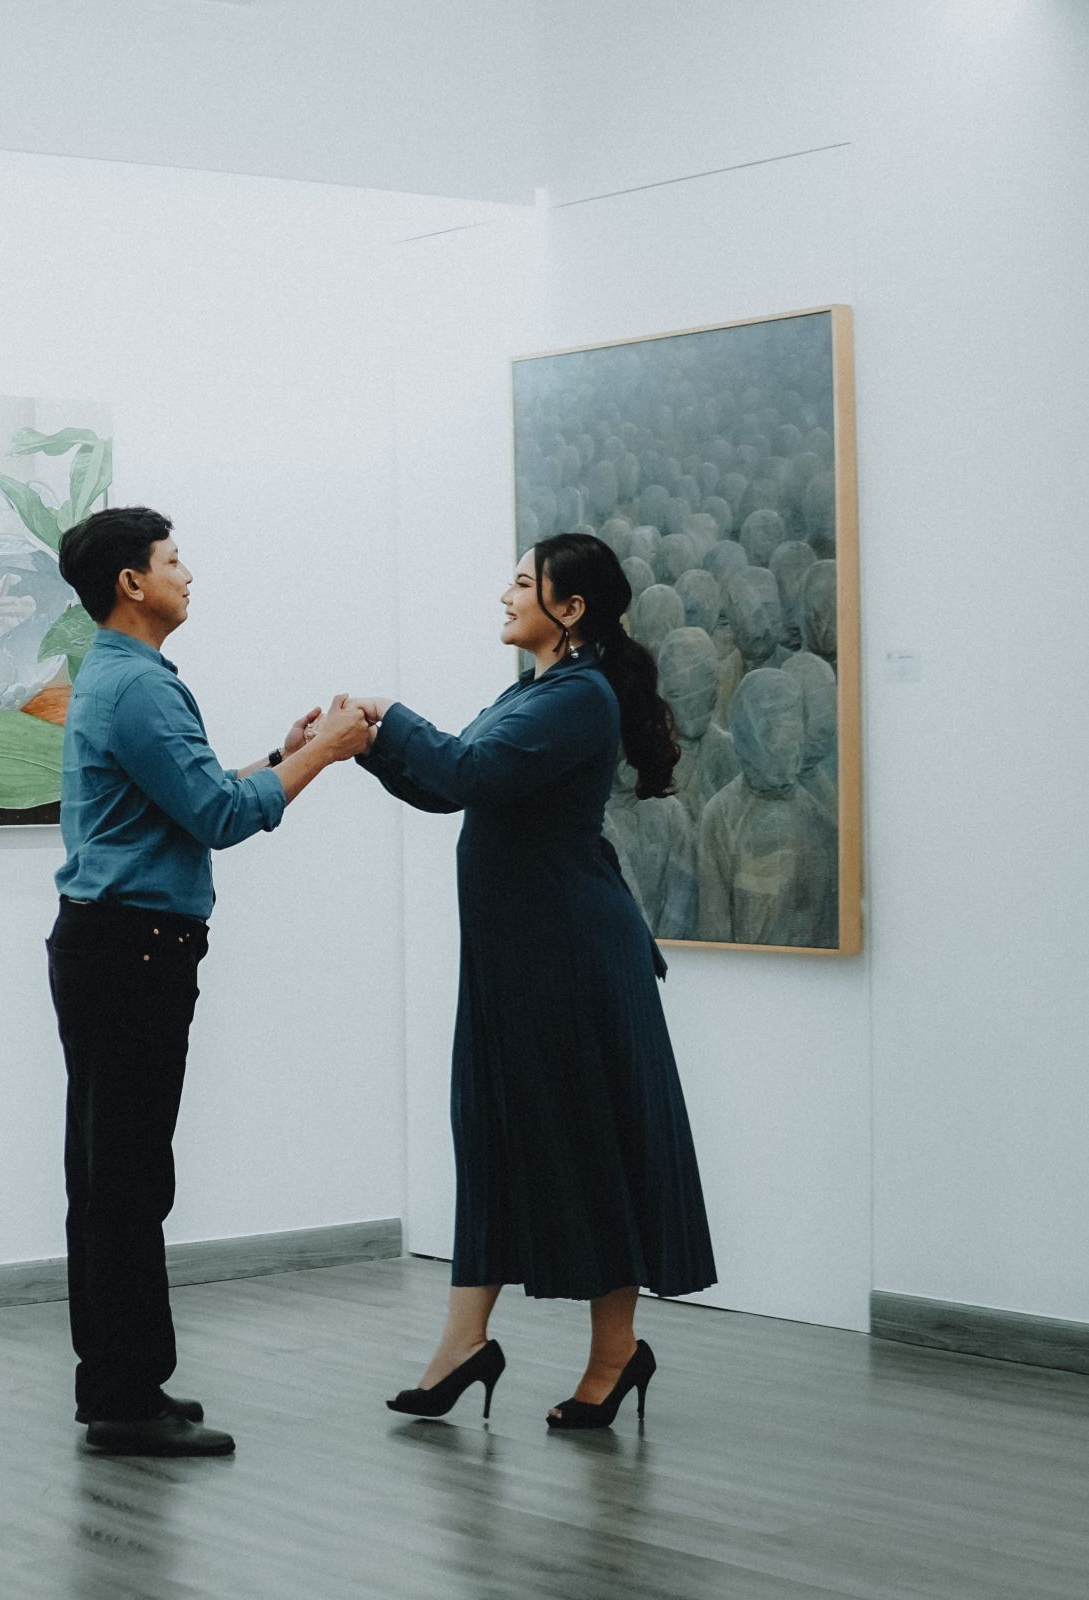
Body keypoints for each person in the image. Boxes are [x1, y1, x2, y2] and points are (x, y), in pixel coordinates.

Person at [340, 530, 716, 1430]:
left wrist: (389, 711)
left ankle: (614, 1356)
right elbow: (447, 787)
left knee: (592, 1145)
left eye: (522, 583)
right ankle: (463, 1346)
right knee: (493, 1137)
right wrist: (365, 744)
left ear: (570, 608)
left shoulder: (579, 698)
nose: (505, 597)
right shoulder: (534, 691)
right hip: (519, 963)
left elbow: (466, 769)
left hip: (571, 965)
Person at [49, 505, 373, 1458]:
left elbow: (190, 796)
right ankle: (124, 1398)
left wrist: (282, 754)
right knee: (126, 1183)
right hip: (132, 952)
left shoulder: (119, 676)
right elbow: (221, 817)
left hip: (108, 946)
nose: (187, 574)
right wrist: (324, 754)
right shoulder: (139, 686)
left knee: (110, 1177)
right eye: (173, 559)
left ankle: (123, 1383)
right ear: (131, 584)